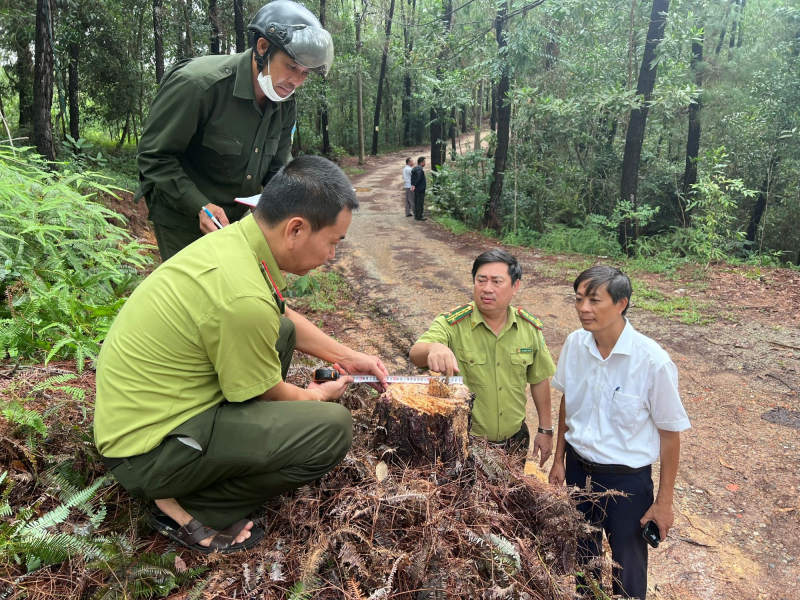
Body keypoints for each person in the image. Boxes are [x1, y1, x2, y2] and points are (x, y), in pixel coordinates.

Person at [95, 156, 389, 554]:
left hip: (152, 412)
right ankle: (191, 509)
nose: (333, 255)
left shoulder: (237, 243)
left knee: (281, 331)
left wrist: (349, 355)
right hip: (150, 451)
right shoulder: (241, 296)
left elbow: (278, 314)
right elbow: (270, 388)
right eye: (334, 241)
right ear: (296, 230)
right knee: (331, 427)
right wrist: (315, 399)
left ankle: (207, 470)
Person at [134, 0, 334, 261]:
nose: (296, 81)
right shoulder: (199, 85)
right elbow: (154, 156)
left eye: (305, 73)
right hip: (182, 216)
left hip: (237, 221)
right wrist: (200, 207)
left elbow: (277, 168)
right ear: (263, 48)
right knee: (196, 295)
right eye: (291, 67)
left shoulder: (285, 104)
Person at [548, 266, 690, 599]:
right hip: (578, 471)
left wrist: (664, 502)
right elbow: (569, 401)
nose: (584, 308)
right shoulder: (574, 344)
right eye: (579, 299)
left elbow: (670, 435)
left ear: (621, 304)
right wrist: (559, 459)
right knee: (584, 560)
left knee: (629, 570)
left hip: (627, 484)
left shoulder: (652, 362)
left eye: (594, 300)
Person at [410, 250, 555, 461]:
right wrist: (434, 347)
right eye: (481, 280)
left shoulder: (529, 328)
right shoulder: (453, 323)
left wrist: (545, 429)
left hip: (515, 441)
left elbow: (539, 379)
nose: (487, 289)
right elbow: (416, 353)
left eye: (497, 282)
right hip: (465, 441)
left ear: (515, 286)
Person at [410, 156, 427, 221]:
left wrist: (413, 185)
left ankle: (416, 215)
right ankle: (419, 216)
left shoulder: (415, 169)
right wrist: (415, 185)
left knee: (416, 201)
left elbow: (413, 178)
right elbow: (418, 179)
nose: (425, 163)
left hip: (416, 189)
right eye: (424, 162)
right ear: (421, 162)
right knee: (419, 202)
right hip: (420, 188)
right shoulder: (420, 170)